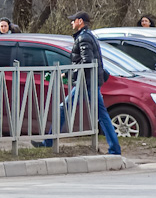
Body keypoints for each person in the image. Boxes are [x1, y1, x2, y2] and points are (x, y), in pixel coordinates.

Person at [38, 12, 121, 155]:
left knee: (65, 108)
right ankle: (114, 149)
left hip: (86, 83)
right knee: (100, 115)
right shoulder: (88, 36)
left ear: (80, 21)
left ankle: (48, 142)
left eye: (73, 20)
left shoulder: (83, 38)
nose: (71, 23)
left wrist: (70, 73)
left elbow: (86, 62)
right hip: (90, 81)